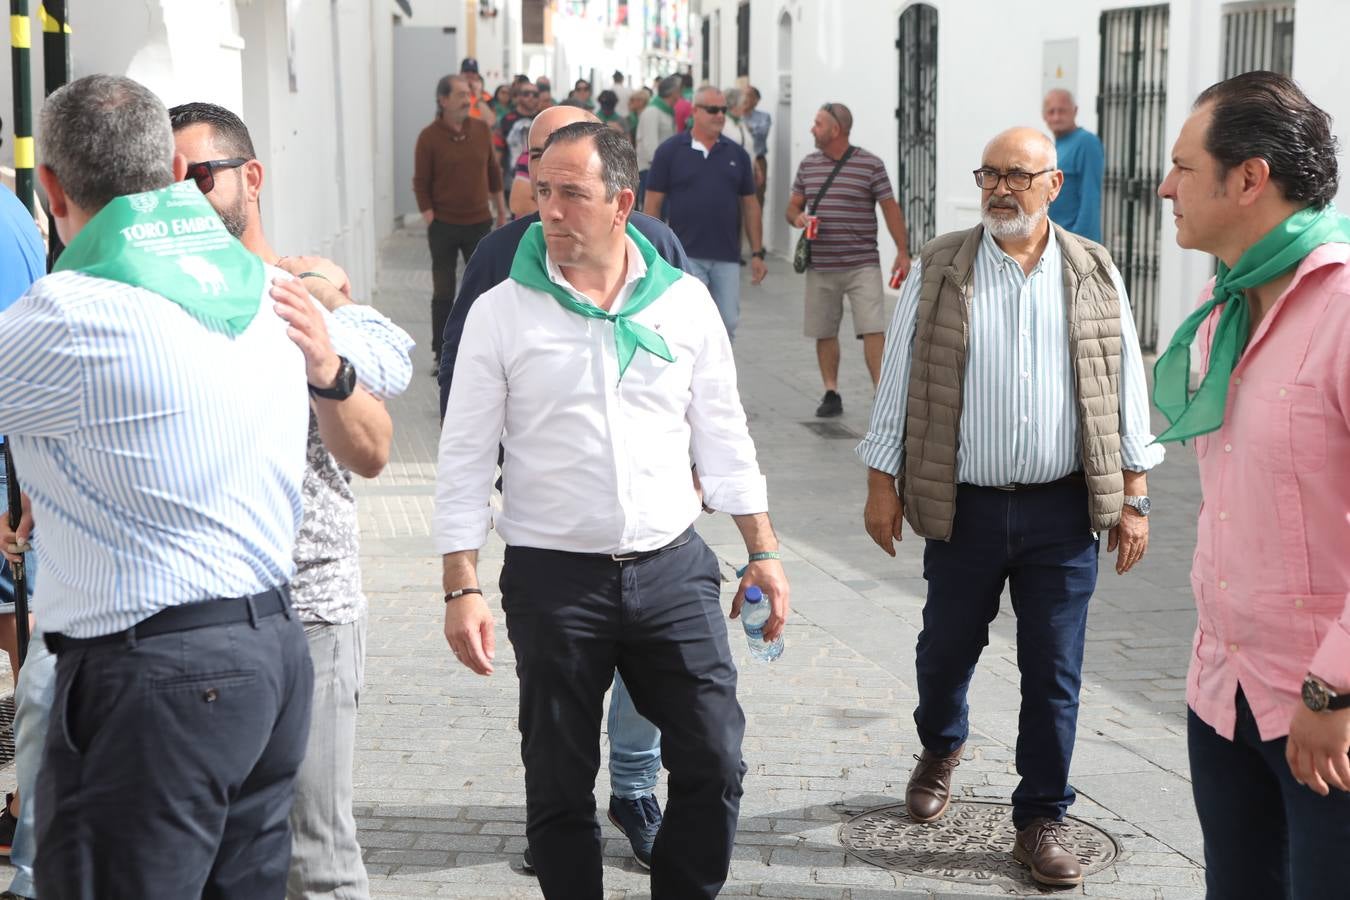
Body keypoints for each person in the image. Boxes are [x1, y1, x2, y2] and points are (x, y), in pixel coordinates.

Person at [436, 121, 790, 898]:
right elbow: (464, 458)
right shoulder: (503, 312)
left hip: (672, 570)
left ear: (623, 202)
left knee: (715, 756)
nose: (548, 211)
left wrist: (762, 550)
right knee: (558, 783)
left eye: (572, 194)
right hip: (553, 581)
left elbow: (724, 434)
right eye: (541, 189)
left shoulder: (685, 303)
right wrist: (461, 583)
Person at [0, 73, 320, 898]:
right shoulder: (262, 293)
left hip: (155, 675)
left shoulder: (70, 315)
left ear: (51, 187)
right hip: (269, 656)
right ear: (171, 174)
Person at [859, 126, 1162, 888]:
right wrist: (881, 481)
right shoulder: (939, 267)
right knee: (945, 649)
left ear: (1052, 185)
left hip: (1063, 513)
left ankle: (1041, 818)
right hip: (965, 508)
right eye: (990, 174)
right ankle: (941, 742)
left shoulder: (1093, 270)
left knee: (1053, 671)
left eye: (1017, 176)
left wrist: (1135, 495)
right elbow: (898, 380)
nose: (1000, 189)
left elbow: (1123, 386)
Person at [437, 106, 693, 874]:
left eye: (570, 166)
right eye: (541, 163)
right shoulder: (499, 254)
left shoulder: (658, 243)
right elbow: (463, 372)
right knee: (560, 696)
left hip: (649, 516)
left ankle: (637, 788)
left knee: (649, 674)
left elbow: (692, 359)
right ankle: (560, 816)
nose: (552, 189)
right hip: (549, 518)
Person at [170, 100, 415, 900]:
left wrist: (325, 314)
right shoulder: (163, 305)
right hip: (193, 619)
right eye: (168, 183)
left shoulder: (305, 303)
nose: (186, 195)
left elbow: (380, 408)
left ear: (252, 178)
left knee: (315, 860)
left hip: (307, 610)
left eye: (201, 176)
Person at [1153, 71, 1350, 900]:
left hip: (1322, 712)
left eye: (1183, 168)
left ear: (1248, 179)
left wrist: (1332, 688)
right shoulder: (1222, 304)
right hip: (1222, 690)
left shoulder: (1341, 310)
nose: (1165, 187)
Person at [786, 102, 910, 418]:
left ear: (835, 130)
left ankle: (882, 393)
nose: (812, 129)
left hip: (862, 262)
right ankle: (831, 391)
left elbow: (890, 208)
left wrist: (902, 251)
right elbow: (792, 207)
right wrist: (798, 218)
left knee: (872, 328)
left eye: (818, 124)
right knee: (824, 330)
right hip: (821, 264)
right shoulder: (808, 165)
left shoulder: (870, 165)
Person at [644, 86, 765, 340]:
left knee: (728, 323)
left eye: (723, 110)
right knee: (689, 323)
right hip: (686, 254)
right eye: (713, 110)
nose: (720, 115)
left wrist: (757, 253)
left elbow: (751, 205)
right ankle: (691, 379)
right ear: (695, 112)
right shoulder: (670, 151)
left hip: (726, 255)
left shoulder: (737, 154)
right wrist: (651, 250)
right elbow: (653, 202)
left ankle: (718, 379)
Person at [413, 74, 505, 369]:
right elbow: (420, 182)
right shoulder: (428, 137)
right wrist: (430, 216)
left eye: (469, 94)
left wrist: (500, 209)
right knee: (444, 292)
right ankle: (442, 354)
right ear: (443, 101)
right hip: (443, 226)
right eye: (461, 95)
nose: (468, 100)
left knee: (484, 290)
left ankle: (485, 353)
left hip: (479, 222)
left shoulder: (480, 130)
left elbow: (493, 172)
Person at [1042, 89, 1103, 242]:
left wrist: (1079, 243)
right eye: (1051, 112)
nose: (1056, 117)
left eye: (1062, 111)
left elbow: (1091, 197)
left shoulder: (1086, 142)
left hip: (1074, 242)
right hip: (1054, 239)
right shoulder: (1053, 147)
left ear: (1075, 111)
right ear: (1044, 116)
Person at [636, 75, 681, 208]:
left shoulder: (666, 112)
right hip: (652, 170)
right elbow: (650, 147)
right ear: (673, 93)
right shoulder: (652, 112)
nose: (680, 96)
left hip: (665, 169)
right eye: (679, 91)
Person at [744, 86, 772, 205]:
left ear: (757, 100)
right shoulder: (733, 117)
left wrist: (744, 128)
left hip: (758, 161)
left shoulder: (764, 116)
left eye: (748, 95)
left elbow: (761, 133)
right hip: (738, 161)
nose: (744, 98)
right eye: (742, 95)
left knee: (757, 198)